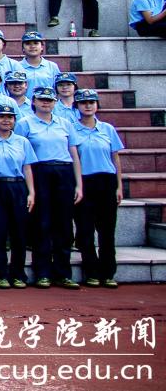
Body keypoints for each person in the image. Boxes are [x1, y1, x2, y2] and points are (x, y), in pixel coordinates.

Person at [18, 87, 82, 289]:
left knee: (63, 224)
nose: (45, 103)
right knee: (42, 222)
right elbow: (21, 153)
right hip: (40, 172)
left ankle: (63, 273)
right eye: (41, 99)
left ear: (55, 102)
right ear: (33, 101)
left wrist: (79, 184)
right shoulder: (24, 123)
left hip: (64, 172)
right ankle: (43, 272)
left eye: (49, 100)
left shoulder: (65, 124)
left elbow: (73, 154)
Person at [71, 89, 124, 288]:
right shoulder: (72, 129)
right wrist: (78, 185)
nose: (88, 106)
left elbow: (115, 158)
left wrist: (119, 186)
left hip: (107, 181)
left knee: (107, 230)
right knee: (85, 229)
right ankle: (91, 272)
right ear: (77, 106)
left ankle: (108, 273)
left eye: (91, 102)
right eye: (83, 103)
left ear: (97, 105)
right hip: (84, 181)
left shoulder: (107, 129)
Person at [0, 105, 35, 289]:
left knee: (19, 232)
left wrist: (31, 192)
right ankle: (1, 274)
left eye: (10, 117)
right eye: (1, 117)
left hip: (18, 186)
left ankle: (18, 273)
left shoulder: (22, 142)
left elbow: (27, 168)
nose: (6, 120)